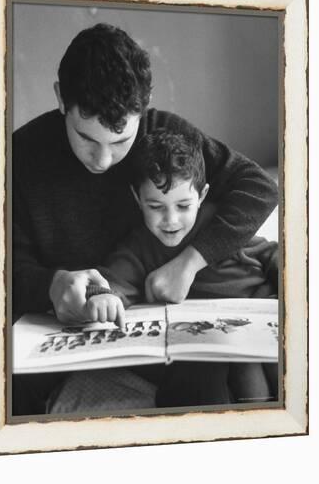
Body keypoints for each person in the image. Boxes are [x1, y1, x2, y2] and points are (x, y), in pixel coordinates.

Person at [12, 23, 278, 414]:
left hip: (173, 327)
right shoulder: (19, 156)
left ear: (146, 103)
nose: (102, 160)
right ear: (60, 99)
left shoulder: (165, 134)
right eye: (85, 138)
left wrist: (189, 263)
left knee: (208, 376)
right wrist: (48, 284)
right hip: (75, 321)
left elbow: (258, 187)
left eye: (120, 141)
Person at [85, 129, 278, 406]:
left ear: (202, 195)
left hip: (259, 317)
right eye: (156, 206)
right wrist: (100, 295)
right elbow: (110, 282)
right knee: (211, 377)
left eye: (183, 205)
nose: (171, 220)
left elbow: (272, 254)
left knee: (272, 364)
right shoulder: (139, 246)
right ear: (137, 199)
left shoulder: (221, 228)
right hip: (207, 346)